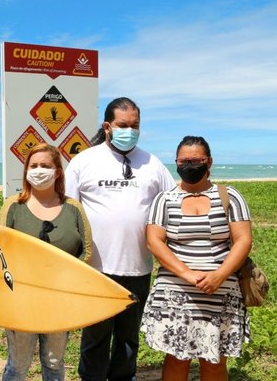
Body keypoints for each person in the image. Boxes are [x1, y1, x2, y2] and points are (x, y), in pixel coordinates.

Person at [64, 97, 176, 381]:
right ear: (107, 126)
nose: (130, 130)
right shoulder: (84, 161)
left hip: (139, 267)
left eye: (135, 125)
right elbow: (68, 213)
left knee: (128, 339)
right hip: (97, 269)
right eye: (123, 125)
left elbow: (173, 205)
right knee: (96, 337)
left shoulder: (152, 163)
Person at [141, 135, 251, 380]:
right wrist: (188, 275)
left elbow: (243, 240)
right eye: (184, 161)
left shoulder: (230, 196)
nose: (190, 165)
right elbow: (154, 241)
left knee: (214, 359)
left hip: (221, 291)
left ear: (209, 161)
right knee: (177, 357)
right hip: (175, 293)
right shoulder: (165, 199)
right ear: (177, 163)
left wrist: (219, 275)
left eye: (196, 160)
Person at [0, 143, 92, 381]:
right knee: (18, 365)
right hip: (20, 299)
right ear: (26, 170)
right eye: (34, 165)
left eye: (46, 166)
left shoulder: (73, 208)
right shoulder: (13, 206)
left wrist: (67, 283)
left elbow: (87, 251)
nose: (39, 170)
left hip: (59, 299)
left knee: (54, 362)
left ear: (57, 171)